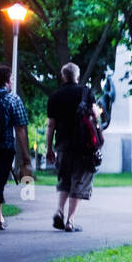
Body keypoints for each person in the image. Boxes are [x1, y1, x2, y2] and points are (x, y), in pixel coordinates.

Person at [45, 62, 99, 233]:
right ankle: (70, 221)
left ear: (63, 76)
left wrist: (49, 148)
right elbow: (94, 115)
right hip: (84, 146)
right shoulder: (86, 92)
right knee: (80, 181)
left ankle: (59, 211)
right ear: (77, 75)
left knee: (64, 179)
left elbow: (51, 125)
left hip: (63, 144)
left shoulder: (55, 96)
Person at [0, 65, 33, 233]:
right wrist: (25, 154)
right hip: (4, 147)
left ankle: (0, 219)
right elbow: (20, 129)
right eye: (11, 79)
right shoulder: (12, 99)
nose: (12, 82)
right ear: (5, 81)